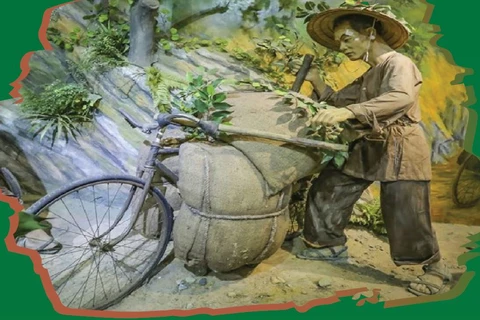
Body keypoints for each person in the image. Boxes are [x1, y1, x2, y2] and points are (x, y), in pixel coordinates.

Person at [293, 5, 452, 296]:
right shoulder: (369, 75)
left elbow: (399, 97)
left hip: (402, 146)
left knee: (406, 210)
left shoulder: (398, 64)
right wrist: (317, 81)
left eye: (346, 38)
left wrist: (349, 112)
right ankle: (329, 246)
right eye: (340, 40)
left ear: (370, 33)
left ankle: (435, 268)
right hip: (368, 145)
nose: (342, 47)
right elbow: (336, 103)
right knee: (330, 188)